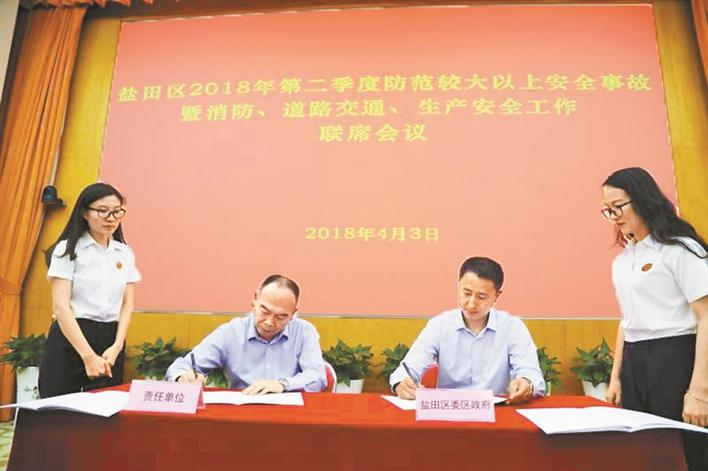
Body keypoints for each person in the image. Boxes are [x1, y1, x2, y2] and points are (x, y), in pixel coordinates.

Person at [601, 167, 707, 471]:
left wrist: (699, 391)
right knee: (644, 452)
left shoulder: (680, 249)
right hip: (635, 362)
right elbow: (626, 320)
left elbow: (706, 317)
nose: (614, 216)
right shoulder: (623, 260)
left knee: (686, 449)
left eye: (618, 206)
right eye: (607, 210)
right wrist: (616, 377)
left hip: (676, 357)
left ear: (642, 199)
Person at [390, 256, 544, 404]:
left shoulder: (513, 328)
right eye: (467, 293)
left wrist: (527, 383)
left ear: (496, 296)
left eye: (481, 297)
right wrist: (401, 383)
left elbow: (531, 373)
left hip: (496, 411)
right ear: (458, 286)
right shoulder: (440, 325)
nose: (471, 304)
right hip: (449, 412)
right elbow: (407, 369)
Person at [38, 183, 140, 398]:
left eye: (117, 211)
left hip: (110, 338)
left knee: (104, 408)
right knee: (60, 408)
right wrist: (88, 356)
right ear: (85, 212)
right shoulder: (68, 250)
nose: (111, 218)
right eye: (102, 211)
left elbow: (127, 304)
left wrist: (117, 346)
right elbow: (61, 307)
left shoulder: (124, 253)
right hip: (72, 335)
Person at [166, 274, 327, 394]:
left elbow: (317, 376)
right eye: (265, 311)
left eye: (281, 317)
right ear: (255, 299)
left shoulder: (304, 332)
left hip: (289, 413)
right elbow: (180, 367)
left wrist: (282, 384)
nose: (269, 322)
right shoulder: (231, 332)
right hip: (243, 410)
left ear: (293, 312)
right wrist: (183, 377)